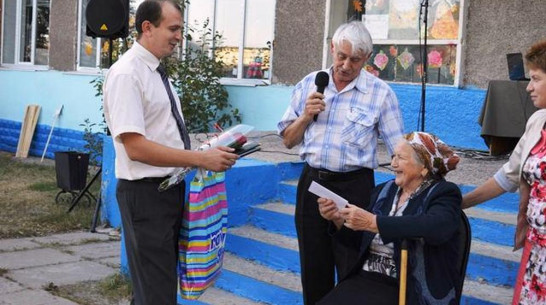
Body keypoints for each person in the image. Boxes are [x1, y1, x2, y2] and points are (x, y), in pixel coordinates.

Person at [102, 1, 238, 304]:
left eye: (181, 29)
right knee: (156, 292)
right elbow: (135, 147)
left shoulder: (154, 71)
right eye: (173, 29)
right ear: (147, 27)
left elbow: (161, 132)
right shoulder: (127, 74)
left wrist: (206, 149)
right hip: (145, 195)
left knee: (156, 288)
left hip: (167, 192)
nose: (179, 37)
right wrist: (200, 159)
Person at [277, 21, 404, 304]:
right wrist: (305, 116)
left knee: (352, 267)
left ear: (367, 59)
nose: (346, 65)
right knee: (313, 267)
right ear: (332, 49)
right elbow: (287, 139)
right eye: (341, 56)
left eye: (355, 60)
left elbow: (399, 148)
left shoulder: (380, 93)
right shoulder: (309, 84)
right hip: (313, 185)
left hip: (354, 189)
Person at [317, 132, 462, 305]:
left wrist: (374, 222)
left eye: (400, 158)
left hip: (408, 287)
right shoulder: (384, 191)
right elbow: (359, 243)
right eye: (393, 156)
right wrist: (338, 219)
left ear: (423, 166)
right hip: (366, 278)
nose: (393, 164)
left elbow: (437, 227)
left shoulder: (443, 193)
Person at [462, 40, 546, 305]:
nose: (529, 87)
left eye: (535, 78)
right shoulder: (537, 122)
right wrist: (461, 202)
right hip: (537, 249)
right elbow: (508, 176)